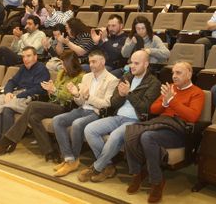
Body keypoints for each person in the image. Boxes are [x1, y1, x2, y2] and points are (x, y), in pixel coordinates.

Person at [124, 61, 205, 203]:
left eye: (178, 73)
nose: (174, 76)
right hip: (161, 124)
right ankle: (137, 173)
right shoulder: (170, 88)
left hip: (179, 130)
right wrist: (165, 103)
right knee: (131, 131)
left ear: (189, 74)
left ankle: (157, 182)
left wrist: (172, 101)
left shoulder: (197, 93)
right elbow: (153, 109)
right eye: (173, 72)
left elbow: (192, 116)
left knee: (147, 137)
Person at [79, 50, 161, 183]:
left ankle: (96, 167)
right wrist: (122, 95)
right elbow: (113, 102)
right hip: (117, 116)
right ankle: (108, 166)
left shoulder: (154, 83)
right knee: (89, 129)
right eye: (131, 62)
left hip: (136, 121)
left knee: (115, 136)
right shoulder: (126, 77)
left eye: (136, 63)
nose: (132, 66)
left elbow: (145, 107)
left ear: (146, 64)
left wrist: (128, 94)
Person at [0, 50, 84, 157]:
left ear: (70, 63)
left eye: (63, 63)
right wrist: (50, 90)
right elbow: (54, 93)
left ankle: (5, 142)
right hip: (54, 103)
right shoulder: (62, 73)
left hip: (67, 107)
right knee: (33, 117)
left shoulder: (81, 76)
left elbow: (70, 96)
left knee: (33, 105)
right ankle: (49, 151)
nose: (62, 66)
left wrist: (55, 90)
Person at [51, 50, 119, 177]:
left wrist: (88, 97)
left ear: (103, 62)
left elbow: (107, 104)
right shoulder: (86, 77)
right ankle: (69, 158)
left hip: (96, 112)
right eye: (90, 62)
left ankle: (74, 160)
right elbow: (80, 101)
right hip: (82, 109)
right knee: (57, 120)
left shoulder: (112, 80)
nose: (91, 65)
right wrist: (76, 95)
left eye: (94, 61)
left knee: (77, 124)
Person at [0, 46, 50, 145]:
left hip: (30, 97)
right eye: (24, 57)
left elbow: (38, 89)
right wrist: (8, 93)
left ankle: (7, 141)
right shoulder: (23, 68)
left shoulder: (41, 69)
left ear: (35, 57)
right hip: (16, 94)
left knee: (6, 108)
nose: (26, 59)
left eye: (29, 56)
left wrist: (17, 96)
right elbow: (12, 81)